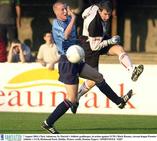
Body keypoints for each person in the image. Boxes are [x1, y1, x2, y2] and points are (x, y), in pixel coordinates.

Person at [41, 1, 133, 134]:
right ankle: (48, 123)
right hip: (67, 63)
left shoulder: (68, 20)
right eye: (62, 10)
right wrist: (73, 18)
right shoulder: (57, 24)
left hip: (76, 59)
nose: (65, 12)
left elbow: (81, 22)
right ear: (55, 12)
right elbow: (66, 36)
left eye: (66, 9)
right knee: (71, 99)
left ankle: (118, 101)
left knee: (97, 77)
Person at [70, 0, 144, 113]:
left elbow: (84, 13)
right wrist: (110, 41)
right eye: (105, 14)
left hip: (99, 38)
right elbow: (95, 47)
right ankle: (76, 98)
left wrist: (108, 40)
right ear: (99, 10)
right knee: (93, 80)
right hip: (89, 46)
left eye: (109, 14)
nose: (107, 16)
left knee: (119, 49)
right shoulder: (95, 25)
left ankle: (132, 70)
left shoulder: (95, 8)